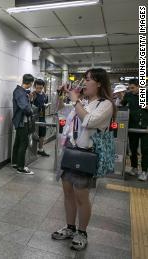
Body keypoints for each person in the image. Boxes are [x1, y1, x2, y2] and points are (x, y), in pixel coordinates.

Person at [52, 68, 115, 251]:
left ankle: (82, 232)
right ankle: (70, 228)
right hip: (70, 151)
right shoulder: (84, 102)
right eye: (84, 79)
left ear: (99, 83)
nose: (84, 83)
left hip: (85, 155)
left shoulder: (105, 104)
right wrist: (60, 95)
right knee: (67, 193)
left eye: (88, 79)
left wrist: (75, 100)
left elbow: (88, 121)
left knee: (81, 196)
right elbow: (60, 112)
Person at [120, 79, 148, 180]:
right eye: (130, 88)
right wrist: (120, 96)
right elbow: (122, 105)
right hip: (132, 127)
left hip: (145, 127)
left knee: (145, 149)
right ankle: (134, 168)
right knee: (133, 149)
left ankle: (144, 171)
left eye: (133, 88)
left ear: (139, 86)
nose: (131, 90)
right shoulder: (128, 95)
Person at [12, 74, 35, 175]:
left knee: (18, 142)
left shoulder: (20, 92)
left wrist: (29, 99)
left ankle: (15, 163)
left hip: (20, 121)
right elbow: (25, 108)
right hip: (22, 122)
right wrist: (31, 111)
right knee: (24, 143)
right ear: (30, 83)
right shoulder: (20, 92)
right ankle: (20, 167)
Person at [32, 79, 50, 156]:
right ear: (35, 86)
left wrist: (46, 106)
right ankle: (32, 151)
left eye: (41, 87)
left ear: (43, 86)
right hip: (34, 117)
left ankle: (40, 149)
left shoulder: (44, 95)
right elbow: (30, 106)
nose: (39, 88)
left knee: (42, 133)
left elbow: (44, 105)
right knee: (34, 134)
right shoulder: (33, 94)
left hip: (42, 116)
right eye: (37, 86)